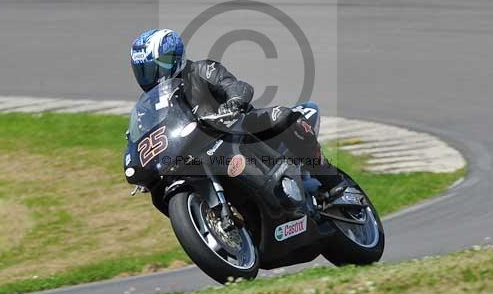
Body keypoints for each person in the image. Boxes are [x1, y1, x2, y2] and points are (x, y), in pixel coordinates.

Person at [129, 28, 344, 194]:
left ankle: (331, 180)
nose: (150, 76)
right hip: (194, 153)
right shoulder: (147, 107)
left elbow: (235, 86)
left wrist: (234, 102)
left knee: (284, 117)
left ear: (174, 58)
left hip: (236, 128)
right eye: (143, 71)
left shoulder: (201, 70)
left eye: (156, 67)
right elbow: (144, 136)